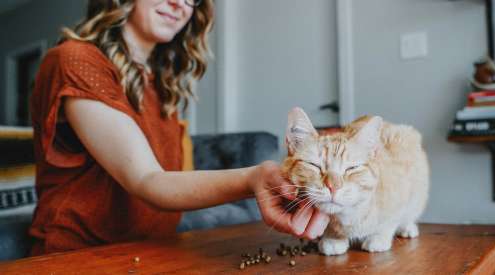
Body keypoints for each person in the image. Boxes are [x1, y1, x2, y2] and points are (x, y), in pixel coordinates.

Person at [29, 0, 330, 255]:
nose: (180, 5)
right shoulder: (75, 60)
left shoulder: (163, 84)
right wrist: (254, 178)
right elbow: (146, 179)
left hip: (156, 250)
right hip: (80, 255)